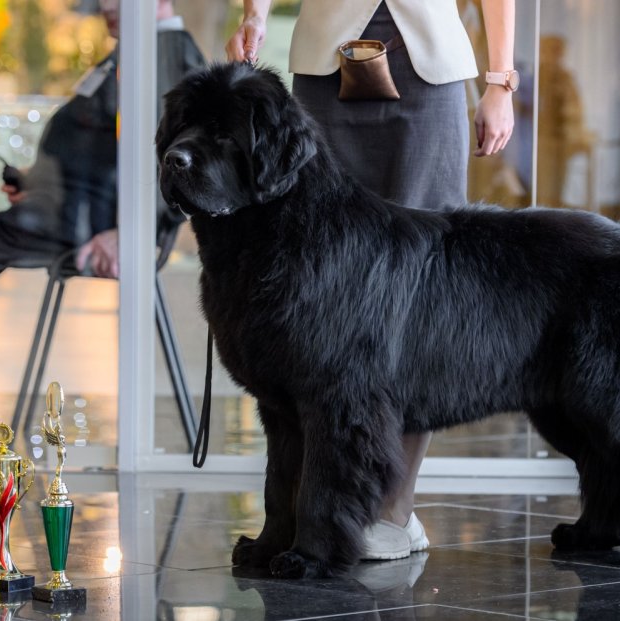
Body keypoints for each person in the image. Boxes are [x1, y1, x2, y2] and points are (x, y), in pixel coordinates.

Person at [226, 0, 516, 560]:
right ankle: (319, 509)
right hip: (322, 66)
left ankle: (393, 510)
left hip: (431, 71)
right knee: (316, 286)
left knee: (419, 293)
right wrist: (254, 15)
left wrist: (500, 82)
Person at [0, 0, 206, 306]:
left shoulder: (165, 56)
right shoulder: (138, 51)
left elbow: (178, 166)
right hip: (59, 209)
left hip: (73, 219)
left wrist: (132, 233)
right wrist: (37, 181)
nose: (105, 6)